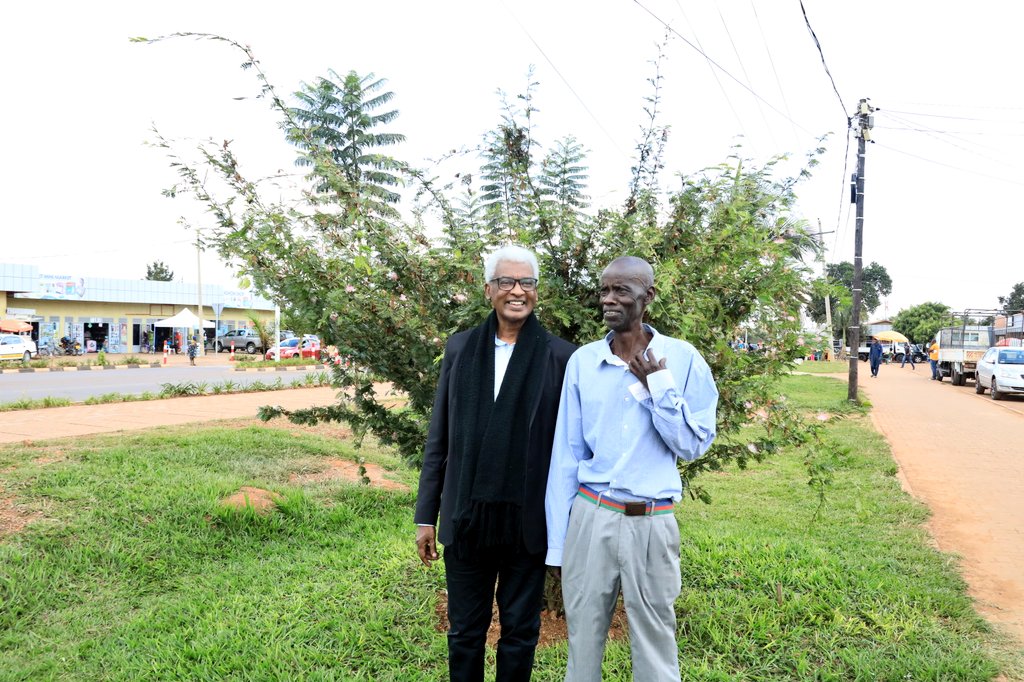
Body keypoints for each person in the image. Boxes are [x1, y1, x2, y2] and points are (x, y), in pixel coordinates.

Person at [545, 256, 718, 681]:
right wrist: (556, 544)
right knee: (582, 636)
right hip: (591, 516)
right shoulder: (584, 362)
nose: (609, 299)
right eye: (604, 290)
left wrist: (657, 387)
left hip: (652, 521)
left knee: (655, 637)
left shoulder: (682, 358)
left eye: (622, 290)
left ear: (648, 297)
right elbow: (566, 456)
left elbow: (694, 444)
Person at [415, 245, 576, 682]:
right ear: (489, 290)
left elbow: (570, 449)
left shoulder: (561, 357)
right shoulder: (461, 349)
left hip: (527, 524)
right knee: (465, 632)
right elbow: (439, 438)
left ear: (537, 292)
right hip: (467, 519)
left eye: (527, 282)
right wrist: (425, 516)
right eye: (507, 282)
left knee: (521, 633)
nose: (517, 291)